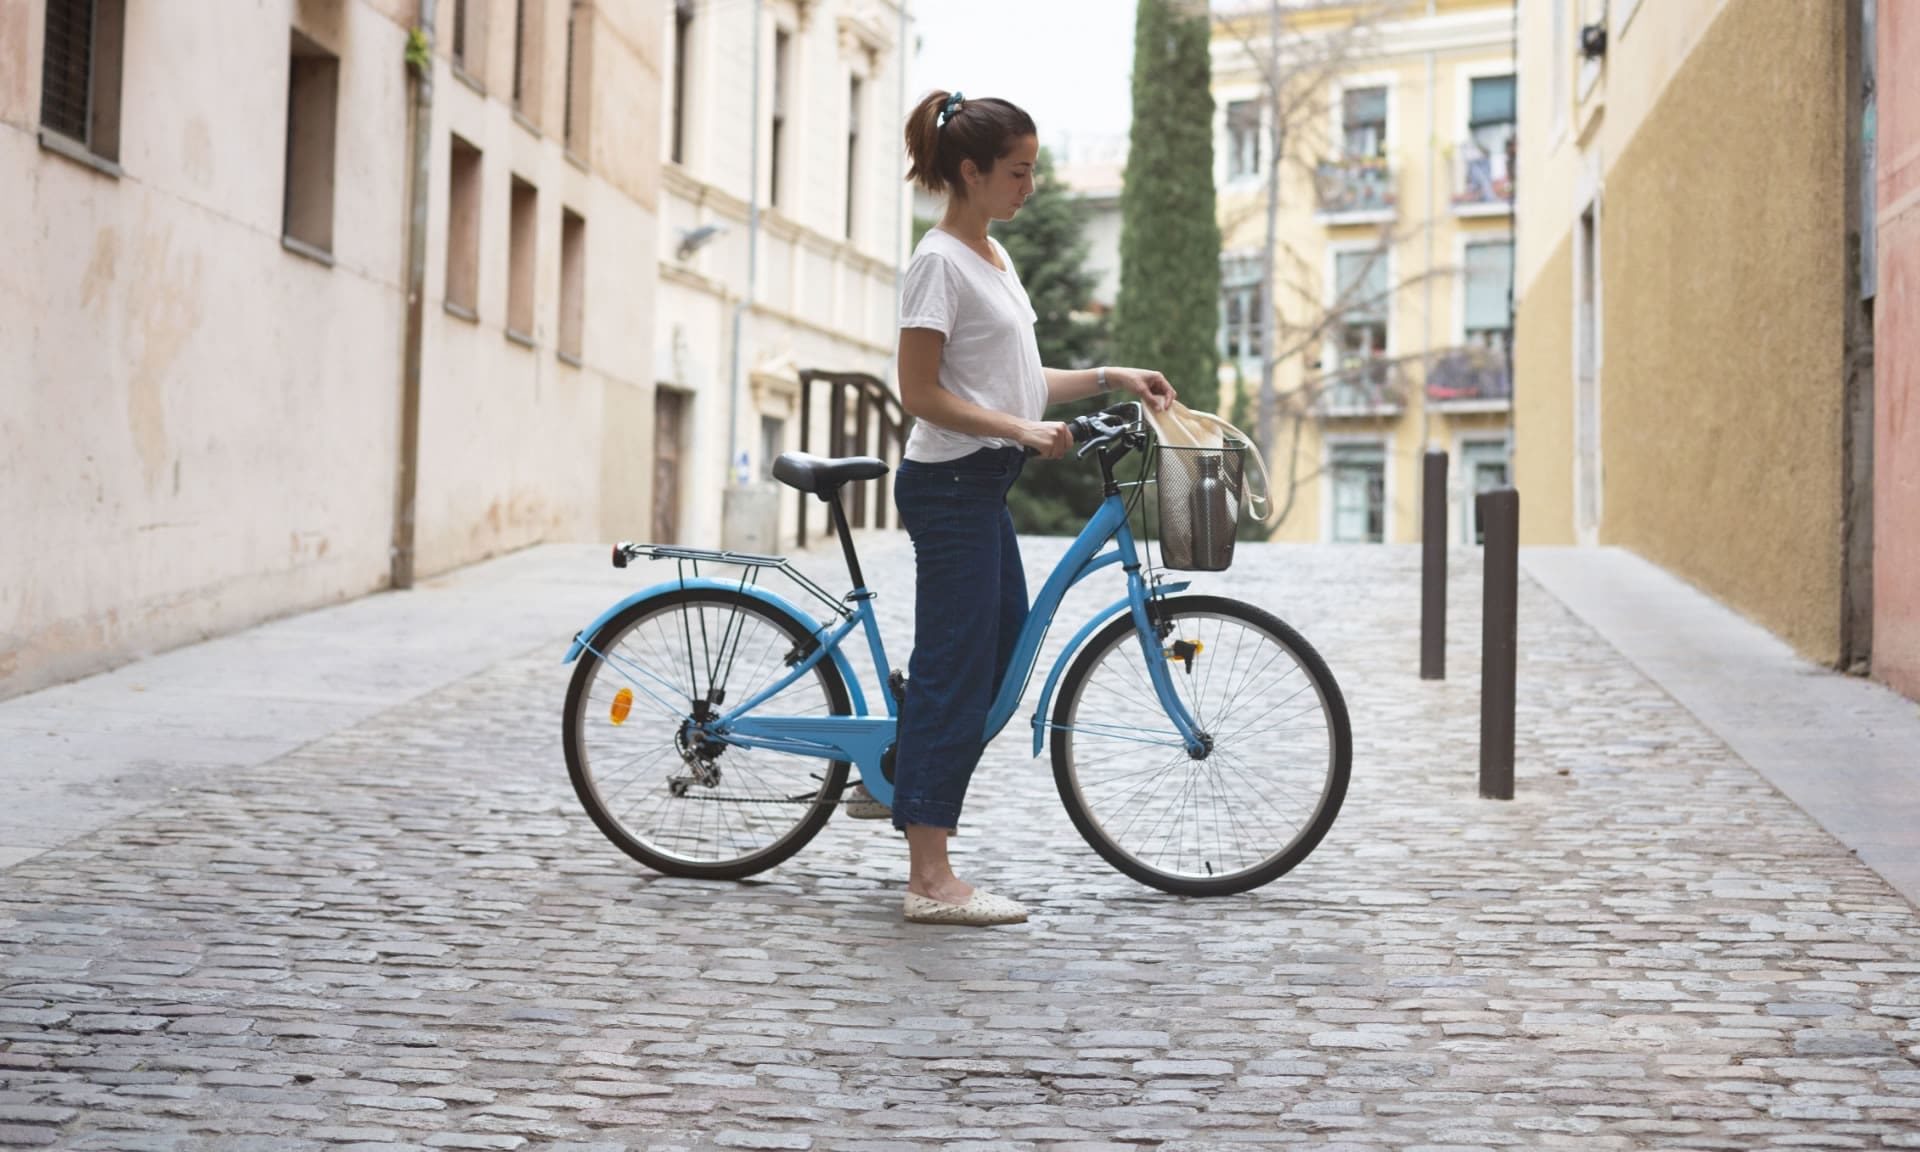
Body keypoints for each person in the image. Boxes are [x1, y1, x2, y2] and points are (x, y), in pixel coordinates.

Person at [851, 89, 1175, 927]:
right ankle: (929, 878)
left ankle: (897, 762)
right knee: (963, 668)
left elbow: (1021, 382)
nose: (1030, 185)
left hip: (985, 482)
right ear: (971, 171)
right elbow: (919, 393)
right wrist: (1021, 431)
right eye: (1018, 171)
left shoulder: (993, 258)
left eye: (1032, 169)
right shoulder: (938, 263)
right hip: (950, 487)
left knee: (990, 656)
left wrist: (1110, 374)